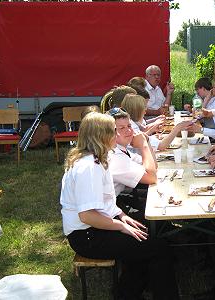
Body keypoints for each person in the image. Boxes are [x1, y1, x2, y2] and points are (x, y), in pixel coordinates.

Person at [59, 112, 179, 300]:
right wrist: (121, 226)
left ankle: (127, 292)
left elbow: (106, 202)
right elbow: (87, 216)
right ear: (101, 136)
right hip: (88, 236)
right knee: (159, 248)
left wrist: (122, 216)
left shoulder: (98, 159)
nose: (119, 134)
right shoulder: (88, 166)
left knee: (151, 232)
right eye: (114, 131)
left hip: (97, 226)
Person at [107, 108, 157, 213]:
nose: (128, 131)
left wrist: (146, 141)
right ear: (110, 132)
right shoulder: (114, 156)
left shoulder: (122, 150)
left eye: (129, 126)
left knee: (158, 195)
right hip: (110, 208)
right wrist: (143, 145)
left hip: (118, 198)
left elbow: (153, 166)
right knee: (156, 208)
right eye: (121, 128)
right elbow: (152, 177)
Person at [121, 94, 191, 151]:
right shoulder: (130, 127)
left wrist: (151, 134)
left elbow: (144, 136)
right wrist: (177, 128)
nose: (145, 112)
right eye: (143, 109)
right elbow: (161, 146)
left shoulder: (129, 123)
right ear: (137, 111)